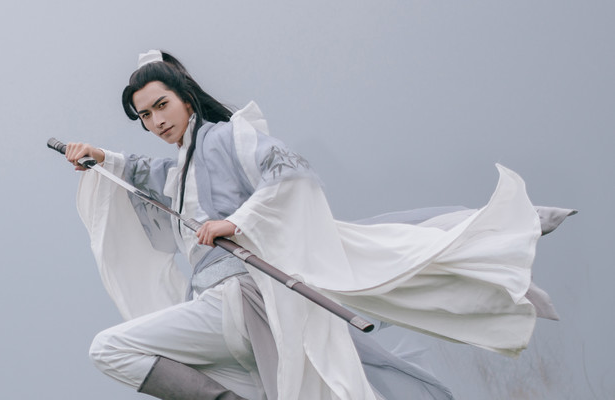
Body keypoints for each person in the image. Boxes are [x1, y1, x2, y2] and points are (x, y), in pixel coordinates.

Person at [65, 50, 574, 399]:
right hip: (214, 311)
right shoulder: (178, 167)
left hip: (245, 298)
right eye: (145, 115)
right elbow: (142, 173)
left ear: (186, 98)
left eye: (162, 105)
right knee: (115, 350)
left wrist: (236, 222)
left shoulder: (228, 139)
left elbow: (292, 176)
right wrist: (100, 156)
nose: (156, 121)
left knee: (109, 347)